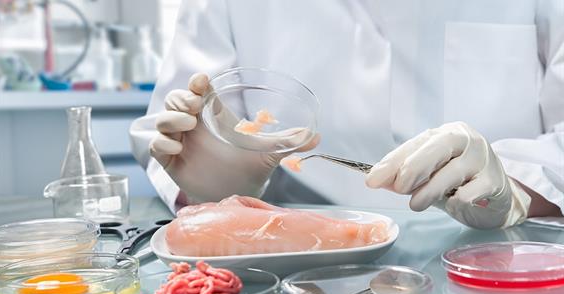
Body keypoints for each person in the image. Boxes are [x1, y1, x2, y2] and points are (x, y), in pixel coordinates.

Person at [130, 0, 564, 229]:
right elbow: (173, 122)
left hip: (502, 261)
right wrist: (213, 186)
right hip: (294, 265)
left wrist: (518, 190)